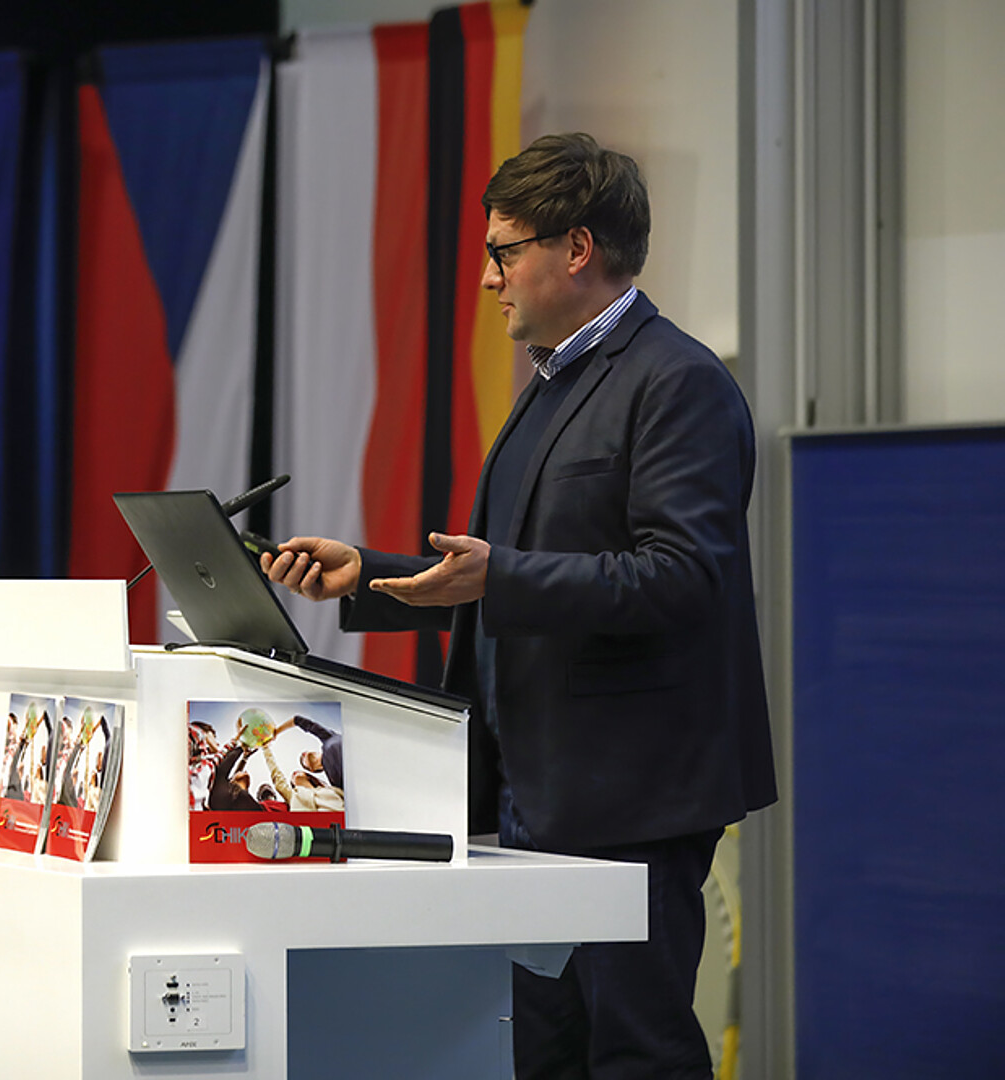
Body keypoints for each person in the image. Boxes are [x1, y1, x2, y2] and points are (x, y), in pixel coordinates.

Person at [264, 132, 777, 1080]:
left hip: (629, 796)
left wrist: (499, 576)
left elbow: (684, 576)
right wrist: (369, 574)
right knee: (541, 1056)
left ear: (576, 249)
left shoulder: (678, 382)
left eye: (503, 252)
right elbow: (515, 574)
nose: (488, 279)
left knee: (636, 1054)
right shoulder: (553, 381)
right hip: (533, 792)